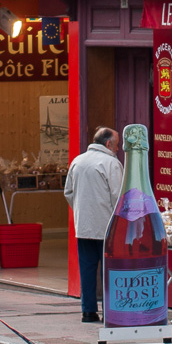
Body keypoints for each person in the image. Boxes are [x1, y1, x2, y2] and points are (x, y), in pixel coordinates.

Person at [63, 126, 123, 322]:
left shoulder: (77, 161)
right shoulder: (111, 163)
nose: (118, 149)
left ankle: (88, 311)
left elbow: (68, 193)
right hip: (107, 226)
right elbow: (118, 196)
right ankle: (110, 310)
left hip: (84, 226)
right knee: (109, 270)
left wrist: (81, 211)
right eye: (117, 145)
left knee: (87, 269)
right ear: (108, 144)